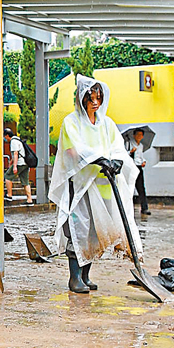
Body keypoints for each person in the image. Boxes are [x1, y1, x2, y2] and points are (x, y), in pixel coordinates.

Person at [49, 76, 142, 294]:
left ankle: (85, 275)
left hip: (103, 186)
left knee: (93, 233)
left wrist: (117, 161)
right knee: (77, 229)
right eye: (90, 98)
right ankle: (74, 278)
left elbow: (117, 147)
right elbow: (72, 151)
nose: (94, 103)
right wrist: (99, 159)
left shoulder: (107, 124)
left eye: (98, 98)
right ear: (81, 99)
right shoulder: (71, 123)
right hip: (80, 187)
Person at [3, 128, 34, 205]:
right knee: (25, 182)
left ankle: (9, 195)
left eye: (4, 137)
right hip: (25, 163)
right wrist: (11, 162)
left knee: (7, 176)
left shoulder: (13, 142)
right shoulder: (18, 140)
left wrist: (14, 166)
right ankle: (29, 200)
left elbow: (16, 154)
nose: (4, 139)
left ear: (7, 135)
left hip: (20, 163)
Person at [126, 128, 151, 215]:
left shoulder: (141, 146)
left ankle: (144, 208)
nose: (139, 137)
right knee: (130, 187)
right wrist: (130, 152)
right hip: (131, 167)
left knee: (141, 188)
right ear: (134, 135)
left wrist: (143, 161)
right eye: (137, 135)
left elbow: (140, 156)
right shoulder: (129, 143)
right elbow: (124, 155)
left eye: (141, 135)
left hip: (139, 167)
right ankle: (128, 208)